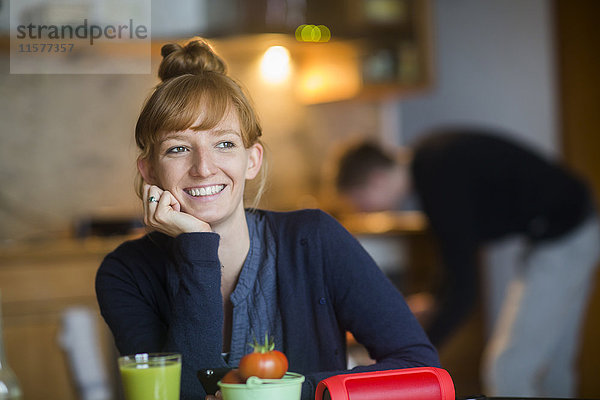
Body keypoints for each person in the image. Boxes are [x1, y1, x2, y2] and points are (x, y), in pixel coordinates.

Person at [95, 38, 440, 400]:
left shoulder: (315, 239)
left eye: (224, 143)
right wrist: (196, 245)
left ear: (252, 160)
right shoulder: (125, 274)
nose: (204, 167)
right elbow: (180, 396)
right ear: (149, 170)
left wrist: (294, 392)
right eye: (178, 148)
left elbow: (421, 368)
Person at [336, 128, 600, 397]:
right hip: (569, 229)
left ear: (376, 179)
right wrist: (433, 298)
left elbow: (465, 291)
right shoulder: (430, 161)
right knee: (552, 364)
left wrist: (410, 355)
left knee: (508, 370)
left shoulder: (437, 175)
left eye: (359, 200)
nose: (363, 211)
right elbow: (455, 252)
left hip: (564, 239)